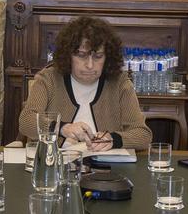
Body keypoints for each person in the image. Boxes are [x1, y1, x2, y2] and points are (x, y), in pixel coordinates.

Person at [18, 16, 152, 150]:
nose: (90, 65)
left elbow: (143, 135)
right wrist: (63, 128)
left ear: (108, 57)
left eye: (98, 56)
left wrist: (113, 140)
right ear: (68, 55)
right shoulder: (49, 78)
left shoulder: (120, 83)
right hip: (56, 165)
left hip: (106, 167)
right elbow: (26, 121)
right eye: (81, 55)